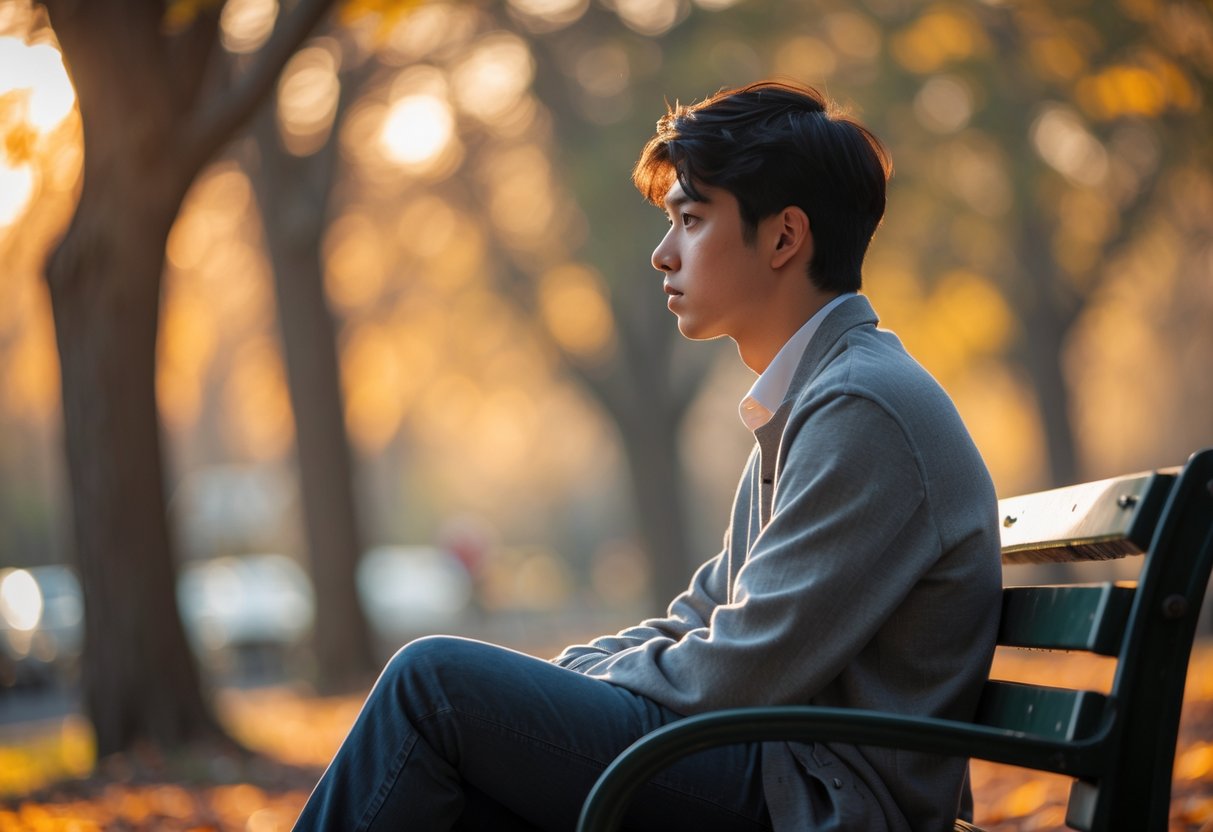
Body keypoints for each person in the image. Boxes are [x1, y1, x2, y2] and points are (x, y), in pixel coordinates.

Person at [292, 80, 1002, 832]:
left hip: (820, 799)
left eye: (691, 221)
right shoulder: (817, 400)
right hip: (780, 769)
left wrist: (568, 696)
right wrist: (565, 681)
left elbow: (735, 668)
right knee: (465, 758)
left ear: (784, 239)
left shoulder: (861, 410)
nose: (663, 255)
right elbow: (704, 613)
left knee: (432, 685)